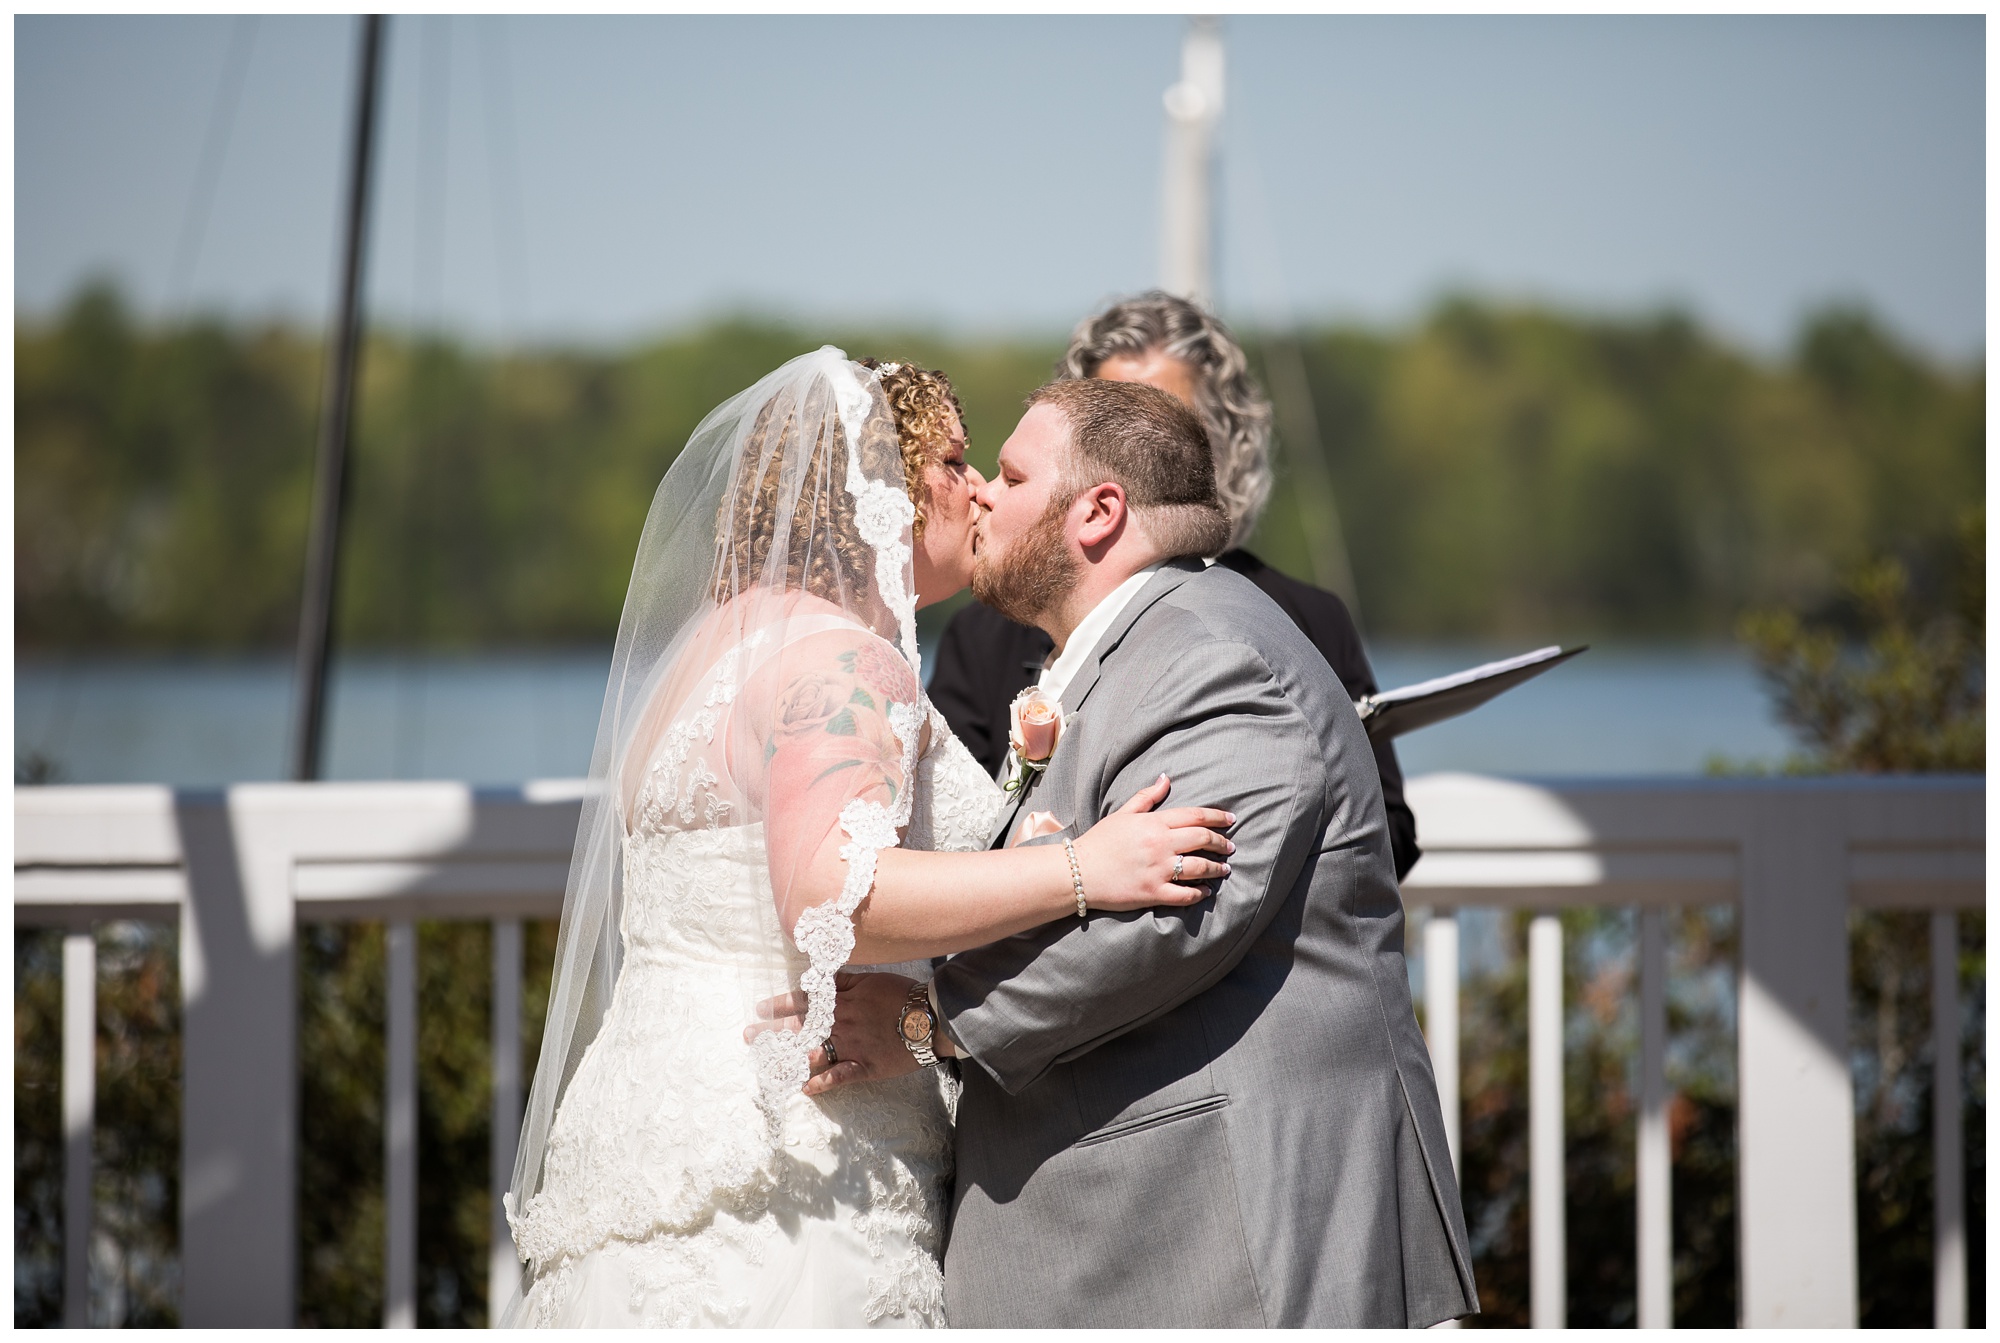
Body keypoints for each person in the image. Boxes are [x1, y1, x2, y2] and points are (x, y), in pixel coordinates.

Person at [500, 351, 1233, 1327]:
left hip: (649, 1116)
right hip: (799, 1141)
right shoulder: (846, 659)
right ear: (878, 490)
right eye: (954, 464)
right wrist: (1075, 868)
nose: (976, 492)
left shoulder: (700, 660)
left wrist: (1021, 777)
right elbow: (830, 894)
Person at [783, 377, 1477, 1327]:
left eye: (1013, 474)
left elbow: (1169, 920)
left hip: (1234, 1239)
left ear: (1098, 512)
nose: (979, 489)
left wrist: (928, 1024)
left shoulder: (1211, 653)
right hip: (1145, 1227)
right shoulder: (1139, 649)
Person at [927, 290, 1422, 880]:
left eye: (1171, 420)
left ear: (1226, 440)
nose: (1147, 444)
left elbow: (1379, 834)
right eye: (1122, 419)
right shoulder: (984, 635)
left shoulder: (1300, 620)